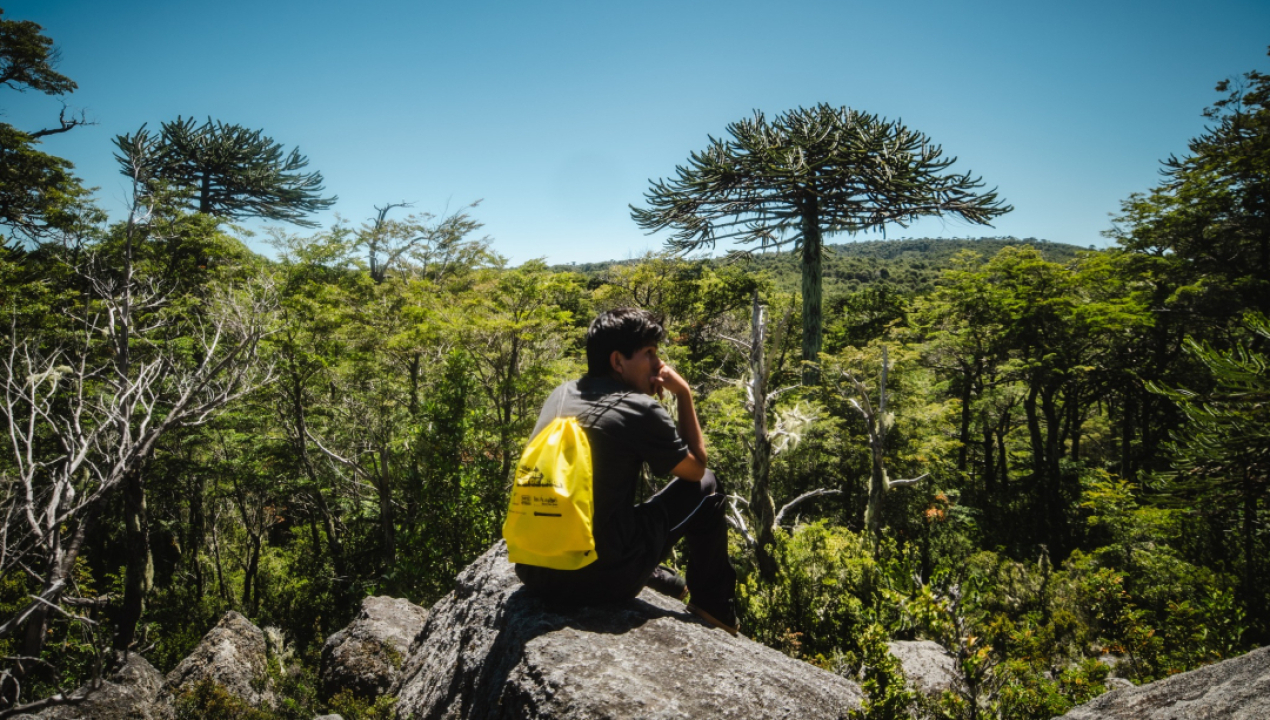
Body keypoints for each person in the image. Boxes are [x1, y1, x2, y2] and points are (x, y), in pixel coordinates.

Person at [514, 307, 739, 634]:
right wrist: (684, 394)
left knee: (608, 501)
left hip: (533, 571)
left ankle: (656, 576)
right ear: (618, 361)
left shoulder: (560, 394)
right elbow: (696, 468)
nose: (659, 364)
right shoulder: (637, 407)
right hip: (597, 582)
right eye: (649, 353)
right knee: (708, 485)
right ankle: (715, 608)